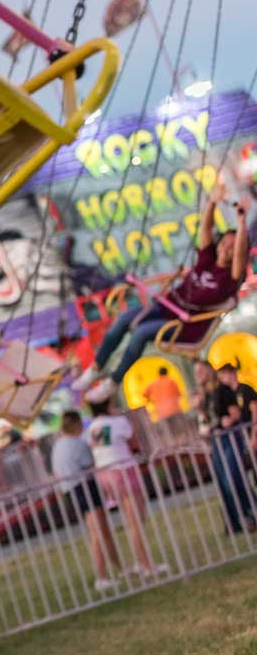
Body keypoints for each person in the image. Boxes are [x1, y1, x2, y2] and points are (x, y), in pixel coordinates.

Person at [73, 179, 248, 402]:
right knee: (124, 319)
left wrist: (241, 222)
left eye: (232, 246)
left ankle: (113, 381)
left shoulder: (229, 280)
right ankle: (96, 368)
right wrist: (212, 203)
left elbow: (242, 254)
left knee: (141, 333)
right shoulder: (207, 259)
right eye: (225, 241)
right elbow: (206, 229)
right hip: (167, 306)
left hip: (185, 325)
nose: (226, 247)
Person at [86, 398, 167, 577]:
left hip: (106, 474)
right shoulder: (119, 422)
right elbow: (134, 443)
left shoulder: (94, 427)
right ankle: (146, 565)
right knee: (136, 522)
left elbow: (101, 448)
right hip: (123, 471)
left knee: (132, 522)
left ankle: (141, 561)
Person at [52, 410, 121, 591]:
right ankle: (102, 576)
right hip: (84, 487)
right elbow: (91, 462)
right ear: (76, 424)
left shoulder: (58, 446)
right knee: (98, 532)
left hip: (70, 490)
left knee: (101, 530)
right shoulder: (77, 443)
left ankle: (119, 569)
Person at [207, 364, 257, 533]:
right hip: (239, 437)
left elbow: (254, 412)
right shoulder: (226, 393)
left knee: (237, 477)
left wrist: (253, 436)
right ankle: (242, 518)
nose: (223, 377)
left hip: (247, 436)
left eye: (225, 373)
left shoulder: (245, 389)